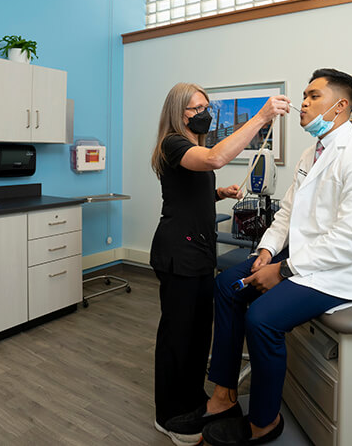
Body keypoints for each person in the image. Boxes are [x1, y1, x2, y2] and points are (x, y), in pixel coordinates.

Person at [164, 69, 352, 446]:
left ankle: (264, 421)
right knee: (227, 285)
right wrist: (266, 250)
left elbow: (351, 241)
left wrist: (283, 269)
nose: (303, 103)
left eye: (313, 96)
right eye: (303, 95)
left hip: (345, 271)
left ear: (340, 106)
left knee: (263, 318)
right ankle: (223, 395)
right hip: (306, 257)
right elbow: (286, 213)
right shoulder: (311, 152)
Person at [150, 82, 291, 446]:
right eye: (195, 108)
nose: (204, 114)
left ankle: (194, 399)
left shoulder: (192, 146)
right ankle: (168, 414)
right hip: (177, 253)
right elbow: (215, 159)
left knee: (198, 335)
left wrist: (219, 193)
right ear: (178, 113)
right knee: (177, 336)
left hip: (196, 251)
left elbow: (185, 193)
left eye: (206, 106)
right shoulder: (173, 144)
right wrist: (261, 116)